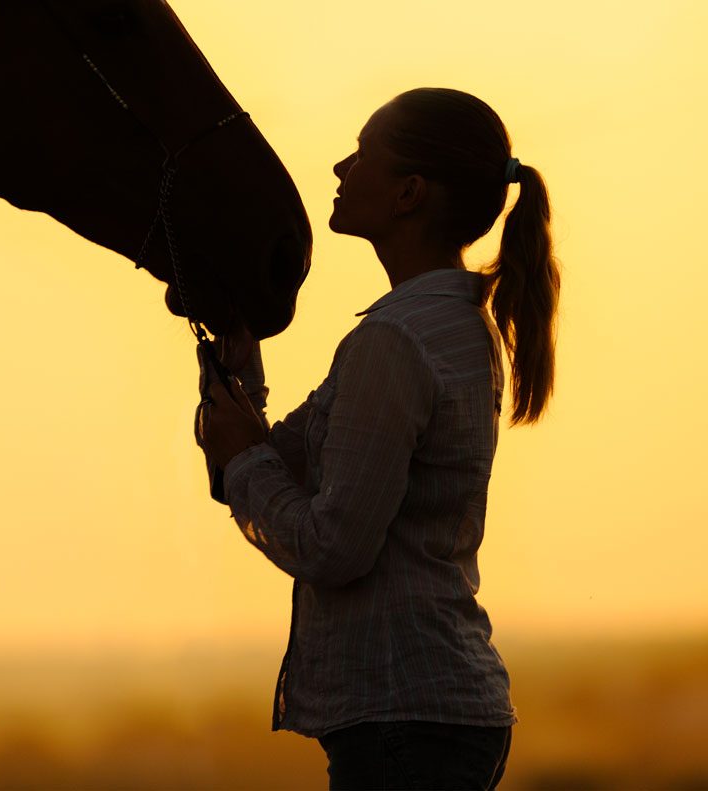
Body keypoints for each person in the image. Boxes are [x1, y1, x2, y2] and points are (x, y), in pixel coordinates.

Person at [195, 87, 559, 791]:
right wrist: (241, 381)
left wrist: (240, 457)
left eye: (362, 154)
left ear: (408, 194)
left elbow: (332, 544)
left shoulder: (393, 342)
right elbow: (284, 466)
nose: (340, 166)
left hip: (406, 723)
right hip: (430, 716)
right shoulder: (451, 325)